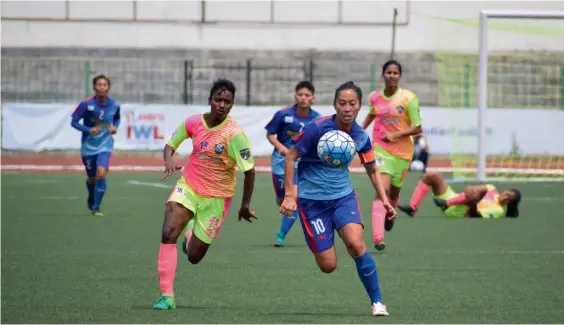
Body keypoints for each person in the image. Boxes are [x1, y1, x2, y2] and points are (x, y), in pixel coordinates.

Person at [280, 81, 396, 316]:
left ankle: (377, 301)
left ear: (358, 107)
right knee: (328, 266)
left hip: (343, 198)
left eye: (352, 104)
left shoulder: (360, 136)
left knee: (356, 244)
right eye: (342, 103)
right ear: (335, 105)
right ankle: (319, 239)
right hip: (312, 204)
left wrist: (384, 199)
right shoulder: (316, 128)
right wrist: (290, 195)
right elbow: (291, 157)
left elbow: (373, 169)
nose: (346, 108)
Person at [153, 79, 257, 310]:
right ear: (210, 100)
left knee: (194, 256)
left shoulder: (234, 135)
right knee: (168, 231)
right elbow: (170, 144)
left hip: (217, 198)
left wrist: (245, 205)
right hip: (188, 186)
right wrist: (169, 161)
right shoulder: (193, 122)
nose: (222, 105)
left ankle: (190, 235)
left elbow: (249, 171)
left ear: (231, 105)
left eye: (227, 102)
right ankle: (167, 295)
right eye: (218, 100)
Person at [361, 60, 423, 251]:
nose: (392, 76)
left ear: (399, 76)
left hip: (403, 154)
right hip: (380, 149)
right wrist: (359, 130)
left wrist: (396, 135)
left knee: (394, 192)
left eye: (395, 73)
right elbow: (372, 113)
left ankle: (390, 213)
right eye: (388, 72)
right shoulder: (374, 97)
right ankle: (378, 237)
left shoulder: (408, 98)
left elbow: (417, 127)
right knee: (382, 190)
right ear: (383, 75)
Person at [265, 80, 322, 247]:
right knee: (282, 198)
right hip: (280, 163)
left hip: (301, 164)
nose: (303, 98)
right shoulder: (283, 114)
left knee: (294, 199)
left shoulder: (317, 119)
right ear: (295, 96)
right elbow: (270, 134)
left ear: (313, 98)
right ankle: (283, 200)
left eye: (307, 95)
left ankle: (281, 235)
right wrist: (281, 148)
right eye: (300, 94)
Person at [70, 74, 120, 217]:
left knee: (101, 174)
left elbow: (117, 118)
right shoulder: (86, 104)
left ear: (108, 88)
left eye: (105, 85)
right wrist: (88, 130)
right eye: (99, 85)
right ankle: (92, 198)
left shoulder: (114, 105)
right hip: (88, 147)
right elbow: (73, 121)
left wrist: (115, 128)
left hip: (105, 145)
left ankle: (96, 207)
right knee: (92, 178)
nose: (102, 87)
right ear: (94, 87)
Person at [397, 171, 522, 219]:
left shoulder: (497, 210)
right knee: (432, 176)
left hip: (462, 211)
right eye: (507, 194)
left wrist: (473, 201)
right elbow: (477, 189)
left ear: (508, 205)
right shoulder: (492, 188)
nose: (505, 197)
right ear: (506, 190)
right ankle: (412, 208)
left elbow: (476, 215)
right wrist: (470, 190)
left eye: (508, 199)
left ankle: (446, 204)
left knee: (477, 194)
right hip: (456, 197)